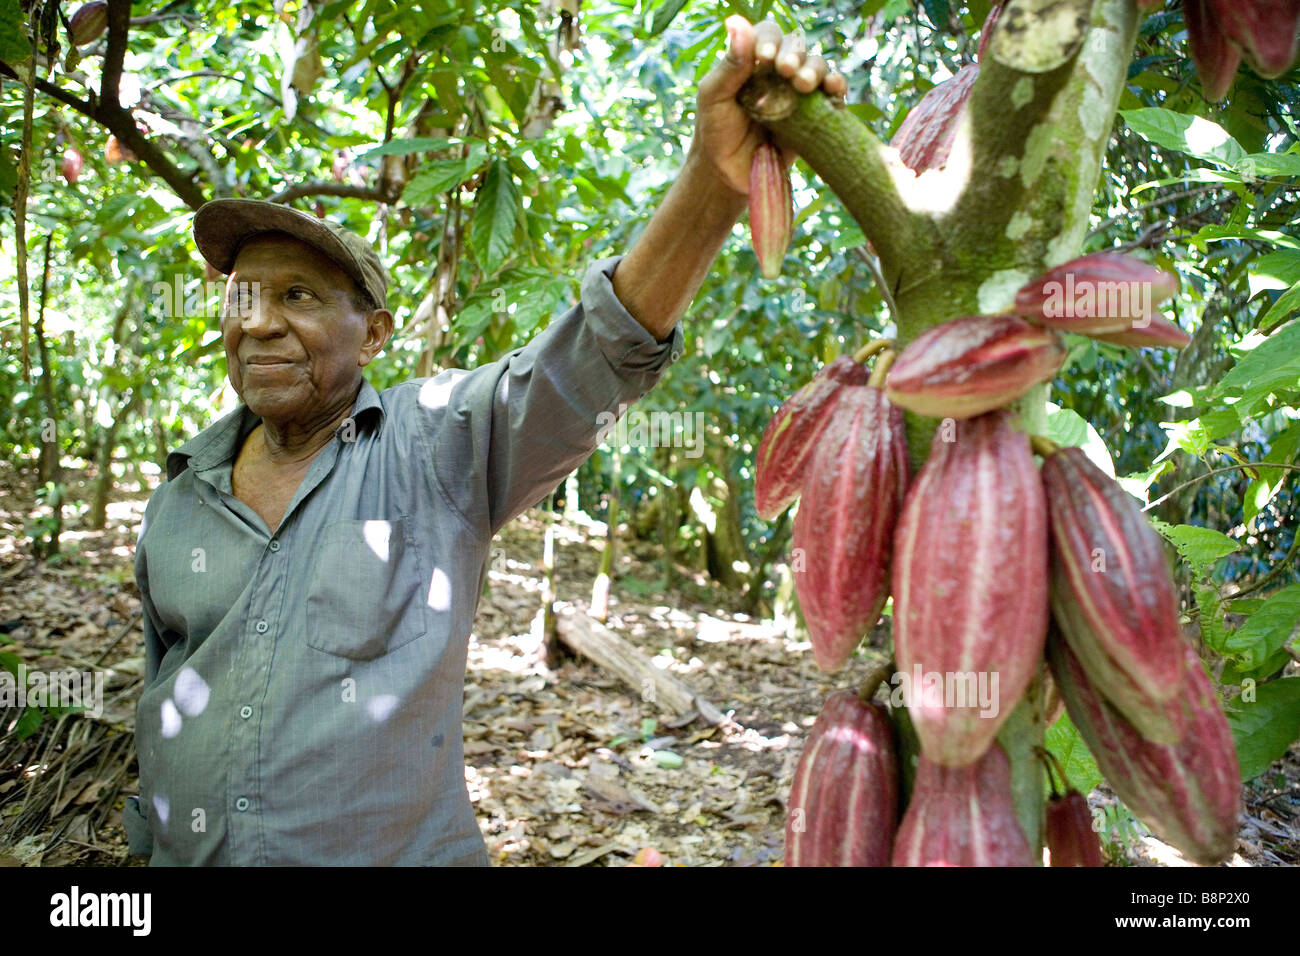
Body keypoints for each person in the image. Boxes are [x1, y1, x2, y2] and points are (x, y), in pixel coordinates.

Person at [125, 17, 846, 865]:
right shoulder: (180, 498)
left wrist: (713, 188)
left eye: (299, 296)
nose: (263, 325)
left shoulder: (435, 446)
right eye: (244, 298)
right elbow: (165, 691)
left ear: (376, 334)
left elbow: (589, 361)